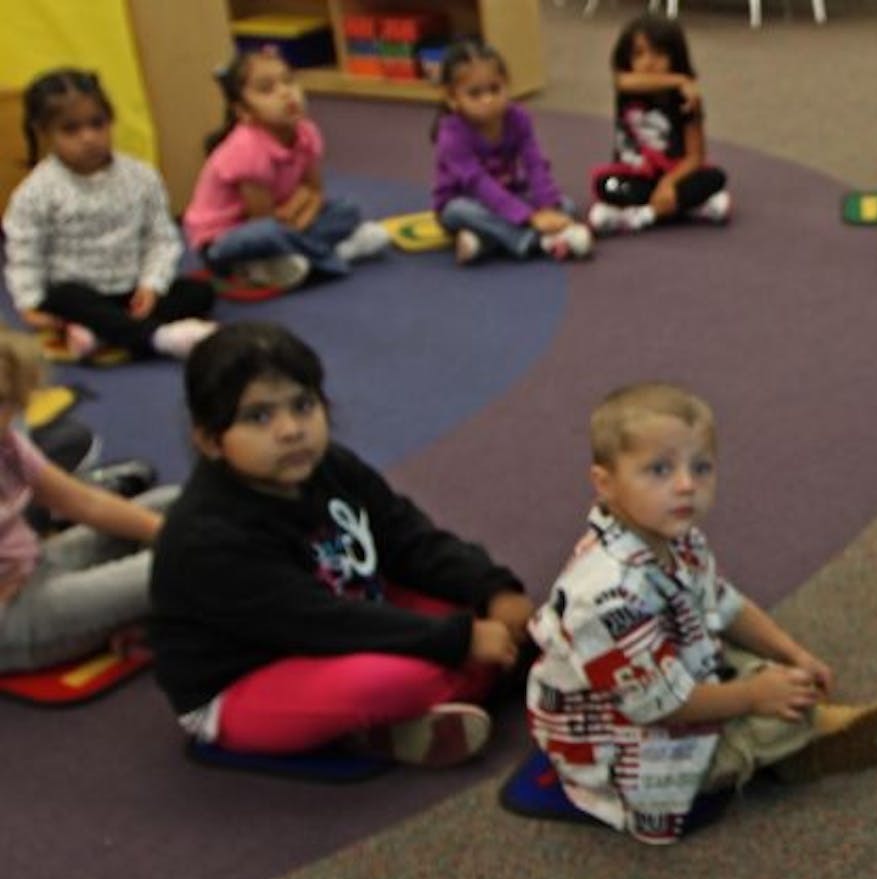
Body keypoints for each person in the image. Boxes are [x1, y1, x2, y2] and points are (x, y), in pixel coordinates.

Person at [527, 383, 877, 844]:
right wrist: (752, 696)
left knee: (774, 676)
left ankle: (793, 722)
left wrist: (794, 653)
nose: (687, 484)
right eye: (659, 469)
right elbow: (662, 706)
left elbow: (724, 604)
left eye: (701, 467)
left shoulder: (674, 536)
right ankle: (787, 744)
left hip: (664, 673)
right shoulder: (607, 596)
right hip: (614, 740)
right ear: (605, 484)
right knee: (766, 711)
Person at [150, 322, 530, 766]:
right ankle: (396, 715)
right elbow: (320, 623)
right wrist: (459, 640)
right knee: (399, 678)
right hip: (245, 679)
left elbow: (409, 539)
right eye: (259, 417)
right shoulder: (210, 537)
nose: (291, 430)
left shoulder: (331, 466)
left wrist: (493, 589)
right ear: (211, 441)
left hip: (341, 615)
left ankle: (408, 716)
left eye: (303, 405)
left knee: (478, 612)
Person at [3, 69, 216, 360]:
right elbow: (24, 250)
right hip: (78, 294)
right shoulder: (36, 192)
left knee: (200, 292)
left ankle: (100, 331)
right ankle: (157, 338)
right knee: (64, 297)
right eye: (71, 129)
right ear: (44, 134)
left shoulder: (141, 176)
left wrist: (151, 284)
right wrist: (29, 302)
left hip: (131, 290)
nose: (89, 138)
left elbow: (161, 238)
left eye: (97, 124)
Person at [0, 332, 175, 672]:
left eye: (5, 403)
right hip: (14, 619)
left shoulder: (8, 443)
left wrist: (163, 530)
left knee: (172, 504)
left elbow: (82, 503)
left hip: (37, 564)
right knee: (185, 561)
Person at [182, 49, 391, 292]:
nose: (285, 93)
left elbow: (315, 191)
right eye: (267, 89)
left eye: (289, 81)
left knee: (347, 209)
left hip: (288, 219)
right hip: (226, 239)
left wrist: (299, 211)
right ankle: (331, 255)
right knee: (268, 234)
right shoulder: (245, 148)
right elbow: (264, 218)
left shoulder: (306, 132)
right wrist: (298, 207)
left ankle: (288, 261)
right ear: (243, 112)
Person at [432, 39, 592, 264]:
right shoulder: (451, 135)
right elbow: (478, 184)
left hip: (511, 194)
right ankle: (535, 241)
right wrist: (531, 218)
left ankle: (482, 243)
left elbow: (535, 164)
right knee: (459, 211)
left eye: (495, 89)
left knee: (566, 205)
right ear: (452, 98)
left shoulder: (518, 118)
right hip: (468, 201)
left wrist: (547, 207)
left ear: (507, 84)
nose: (488, 100)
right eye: (475, 94)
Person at [585, 14, 732, 236]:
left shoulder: (685, 100)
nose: (649, 62)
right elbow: (621, 80)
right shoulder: (628, 89)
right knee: (606, 185)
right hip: (633, 174)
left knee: (715, 178)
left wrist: (669, 184)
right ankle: (687, 208)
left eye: (659, 53)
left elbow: (695, 156)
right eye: (639, 54)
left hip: (674, 174)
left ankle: (641, 215)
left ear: (675, 57)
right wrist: (681, 80)